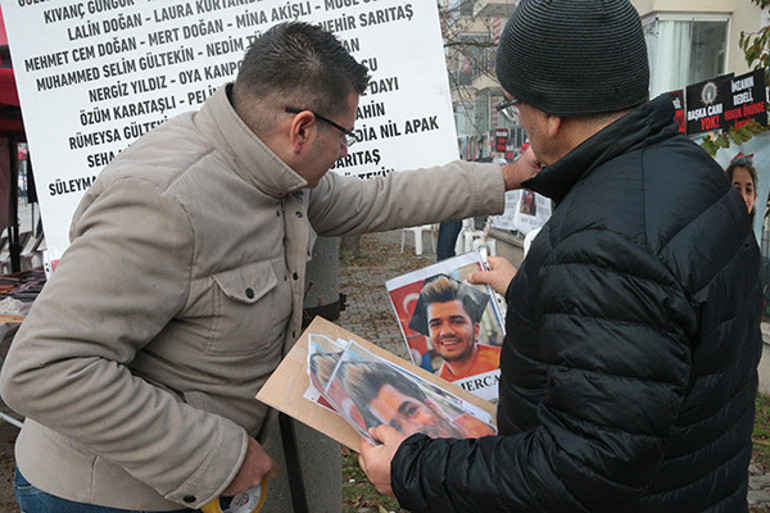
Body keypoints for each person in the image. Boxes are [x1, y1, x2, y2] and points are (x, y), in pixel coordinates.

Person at [0, 21, 539, 513]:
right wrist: (218, 455)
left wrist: (507, 177)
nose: (345, 151)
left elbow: (381, 198)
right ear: (302, 128)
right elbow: (43, 369)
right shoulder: (165, 204)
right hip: (100, 498)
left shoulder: (275, 174)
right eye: (344, 135)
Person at [358, 1, 763, 511]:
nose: (519, 122)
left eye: (516, 106)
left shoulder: (606, 245)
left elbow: (579, 473)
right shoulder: (690, 171)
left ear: (551, 115)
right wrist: (534, 290)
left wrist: (410, 468)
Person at [338, 361, 495, 439]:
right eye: (396, 427)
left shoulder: (486, 429)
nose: (413, 431)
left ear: (433, 406)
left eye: (411, 411)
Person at [407, 274, 500, 381]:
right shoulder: (437, 387)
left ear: (476, 330)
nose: (445, 332)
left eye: (457, 322)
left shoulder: (508, 363)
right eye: (436, 324)